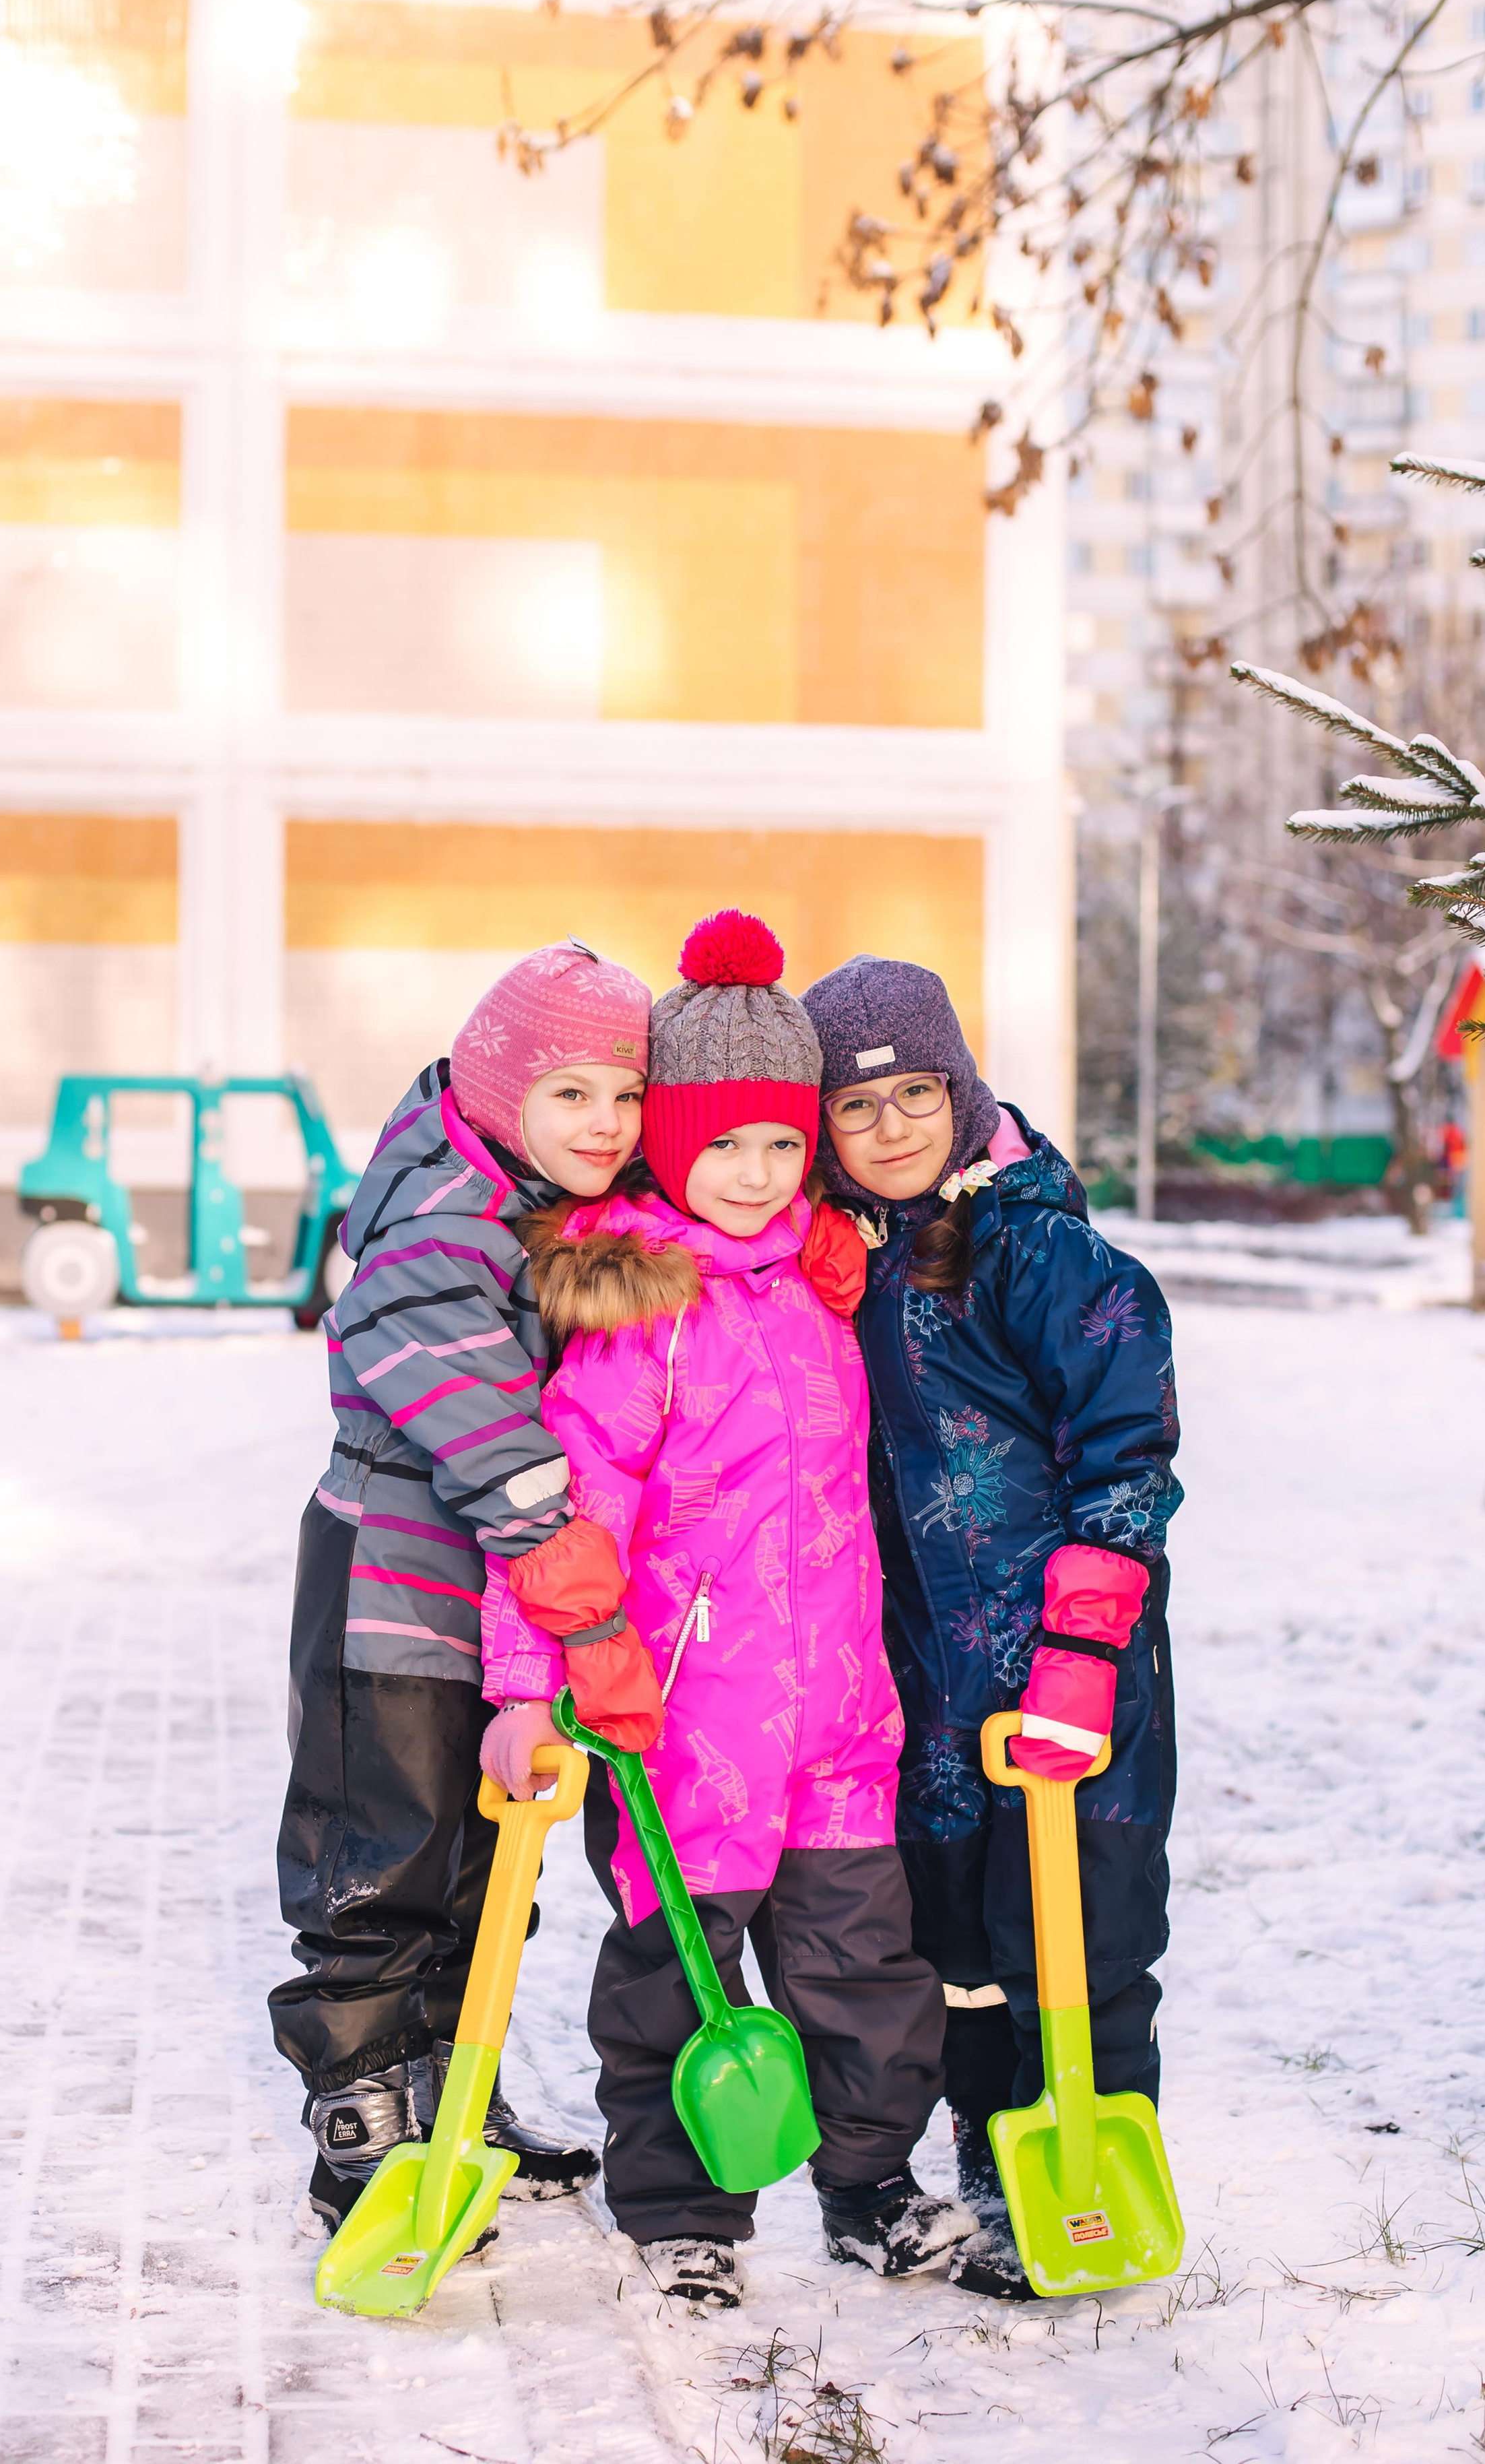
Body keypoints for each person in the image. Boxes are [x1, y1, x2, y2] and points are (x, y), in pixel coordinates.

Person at [477, 911, 977, 2311]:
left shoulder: (829, 1287)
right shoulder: (640, 1305)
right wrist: (535, 1683)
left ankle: (871, 2189)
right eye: (722, 1148)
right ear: (672, 1148)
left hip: (836, 1716)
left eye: (777, 1147)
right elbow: (569, 1516)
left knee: (864, 1974)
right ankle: (682, 2211)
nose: (754, 1177)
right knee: (672, 1985)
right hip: (675, 1726)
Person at [270, 938, 667, 2237]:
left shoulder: (521, 1198)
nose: (605, 1126)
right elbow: (492, 1440)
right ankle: (362, 2128)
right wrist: (582, 1602)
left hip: (481, 1619)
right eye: (573, 1095)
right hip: (390, 1601)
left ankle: (451, 2095)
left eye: (625, 1097)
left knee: (475, 1861)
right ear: (504, 1092)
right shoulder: (442, 1222)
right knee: (380, 1867)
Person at [799, 955, 1182, 2298]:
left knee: (1081, 1935)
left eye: (915, 1091)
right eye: (857, 1107)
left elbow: (1126, 1463)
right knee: (956, 1947)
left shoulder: (1044, 1255)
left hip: (1067, 1680)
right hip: (926, 1695)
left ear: (960, 1093)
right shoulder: (837, 1265)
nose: (891, 1124)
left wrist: (1080, 1655)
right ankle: (989, 2172)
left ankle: (1076, 2184)